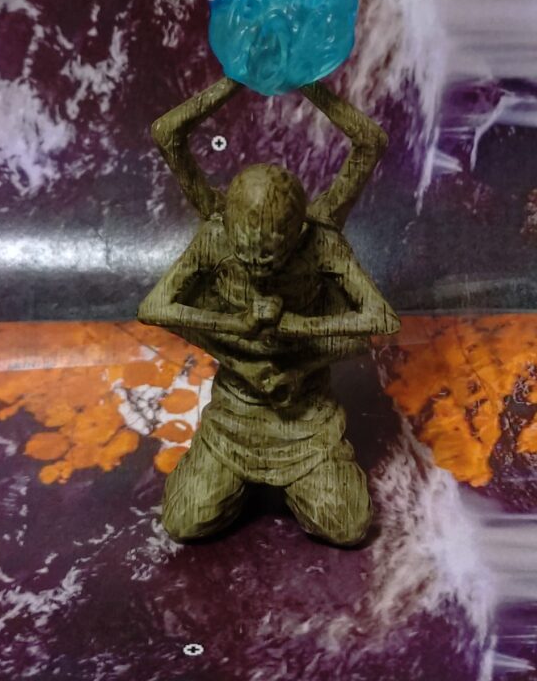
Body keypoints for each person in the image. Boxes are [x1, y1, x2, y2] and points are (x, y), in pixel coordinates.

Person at [138, 76, 399, 546]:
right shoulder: (215, 232)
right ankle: (225, 473)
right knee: (184, 522)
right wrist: (236, 78)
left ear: (298, 232)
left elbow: (369, 143)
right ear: (229, 226)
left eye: (271, 254)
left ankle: (309, 478)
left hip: (306, 418)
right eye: (246, 252)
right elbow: (167, 134)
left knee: (349, 527)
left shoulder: (322, 239)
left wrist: (307, 81)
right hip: (233, 416)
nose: (257, 264)